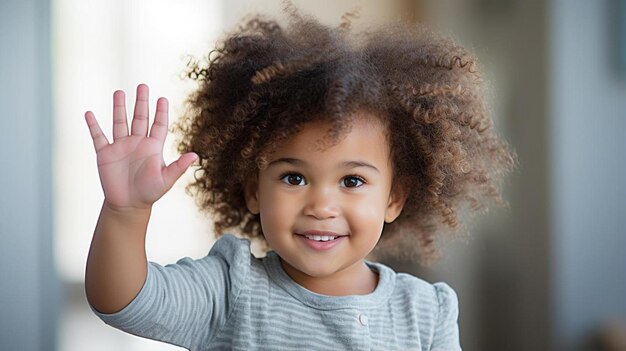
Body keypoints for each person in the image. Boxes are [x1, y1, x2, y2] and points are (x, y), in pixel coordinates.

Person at [84, 7, 516, 351]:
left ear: (394, 198)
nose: (321, 206)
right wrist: (126, 212)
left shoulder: (426, 312)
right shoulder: (230, 290)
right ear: (254, 189)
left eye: (351, 181)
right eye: (293, 178)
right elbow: (123, 301)